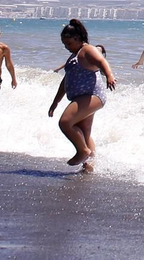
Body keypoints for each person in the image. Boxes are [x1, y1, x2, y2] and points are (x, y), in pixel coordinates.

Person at [48, 19, 116, 173]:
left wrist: (109, 76)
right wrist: (55, 102)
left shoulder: (87, 50)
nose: (67, 47)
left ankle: (82, 151)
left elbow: (101, 61)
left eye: (69, 43)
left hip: (92, 95)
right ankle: (89, 167)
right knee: (84, 132)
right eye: (64, 44)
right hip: (81, 97)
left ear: (78, 38)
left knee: (65, 122)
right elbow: (65, 81)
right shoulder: (75, 54)